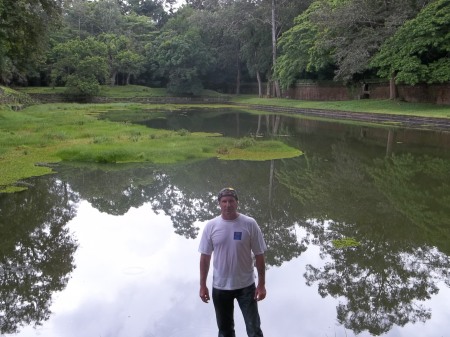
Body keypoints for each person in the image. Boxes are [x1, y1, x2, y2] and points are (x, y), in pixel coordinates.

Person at [198, 187, 267, 337]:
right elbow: (205, 258)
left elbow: (259, 255)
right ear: (219, 204)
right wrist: (202, 285)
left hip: (246, 286)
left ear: (237, 203)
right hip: (220, 287)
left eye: (231, 201)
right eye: (224, 201)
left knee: (254, 330)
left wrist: (261, 284)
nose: (227, 205)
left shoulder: (250, 223)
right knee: (225, 331)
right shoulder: (211, 226)